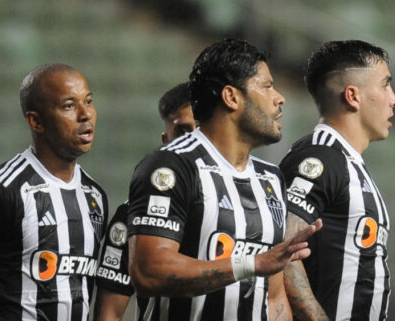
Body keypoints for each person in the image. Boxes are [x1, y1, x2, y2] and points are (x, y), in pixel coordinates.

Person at [126, 38, 322, 321]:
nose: (280, 97)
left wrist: (259, 268)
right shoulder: (173, 165)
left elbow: (273, 294)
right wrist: (250, 264)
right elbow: (148, 270)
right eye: (266, 86)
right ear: (231, 97)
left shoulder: (270, 179)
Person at [0, 64, 108, 321]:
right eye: (69, 106)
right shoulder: (0, 192)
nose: (86, 115)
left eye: (88, 101)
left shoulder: (95, 196)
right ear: (35, 121)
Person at [280, 40, 395, 321]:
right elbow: (281, 251)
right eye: (385, 85)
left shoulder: (348, 162)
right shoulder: (320, 159)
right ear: (353, 96)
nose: (394, 99)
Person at [94, 82, 196, 321]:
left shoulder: (246, 206)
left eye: (201, 129)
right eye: (183, 131)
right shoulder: (131, 216)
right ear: (165, 140)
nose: (193, 140)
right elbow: (109, 313)